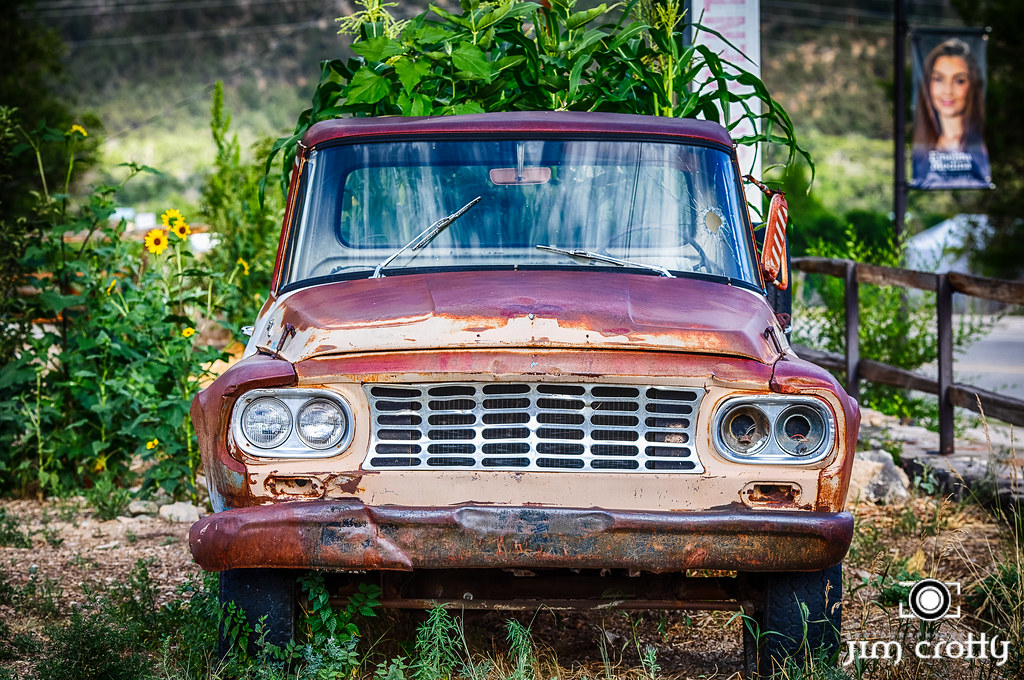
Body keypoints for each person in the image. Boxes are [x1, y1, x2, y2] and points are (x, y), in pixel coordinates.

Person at [911, 38, 991, 189]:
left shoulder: (979, 147)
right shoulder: (922, 147)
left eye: (959, 81)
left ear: (972, 86)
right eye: (939, 79)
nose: (948, 91)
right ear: (928, 84)